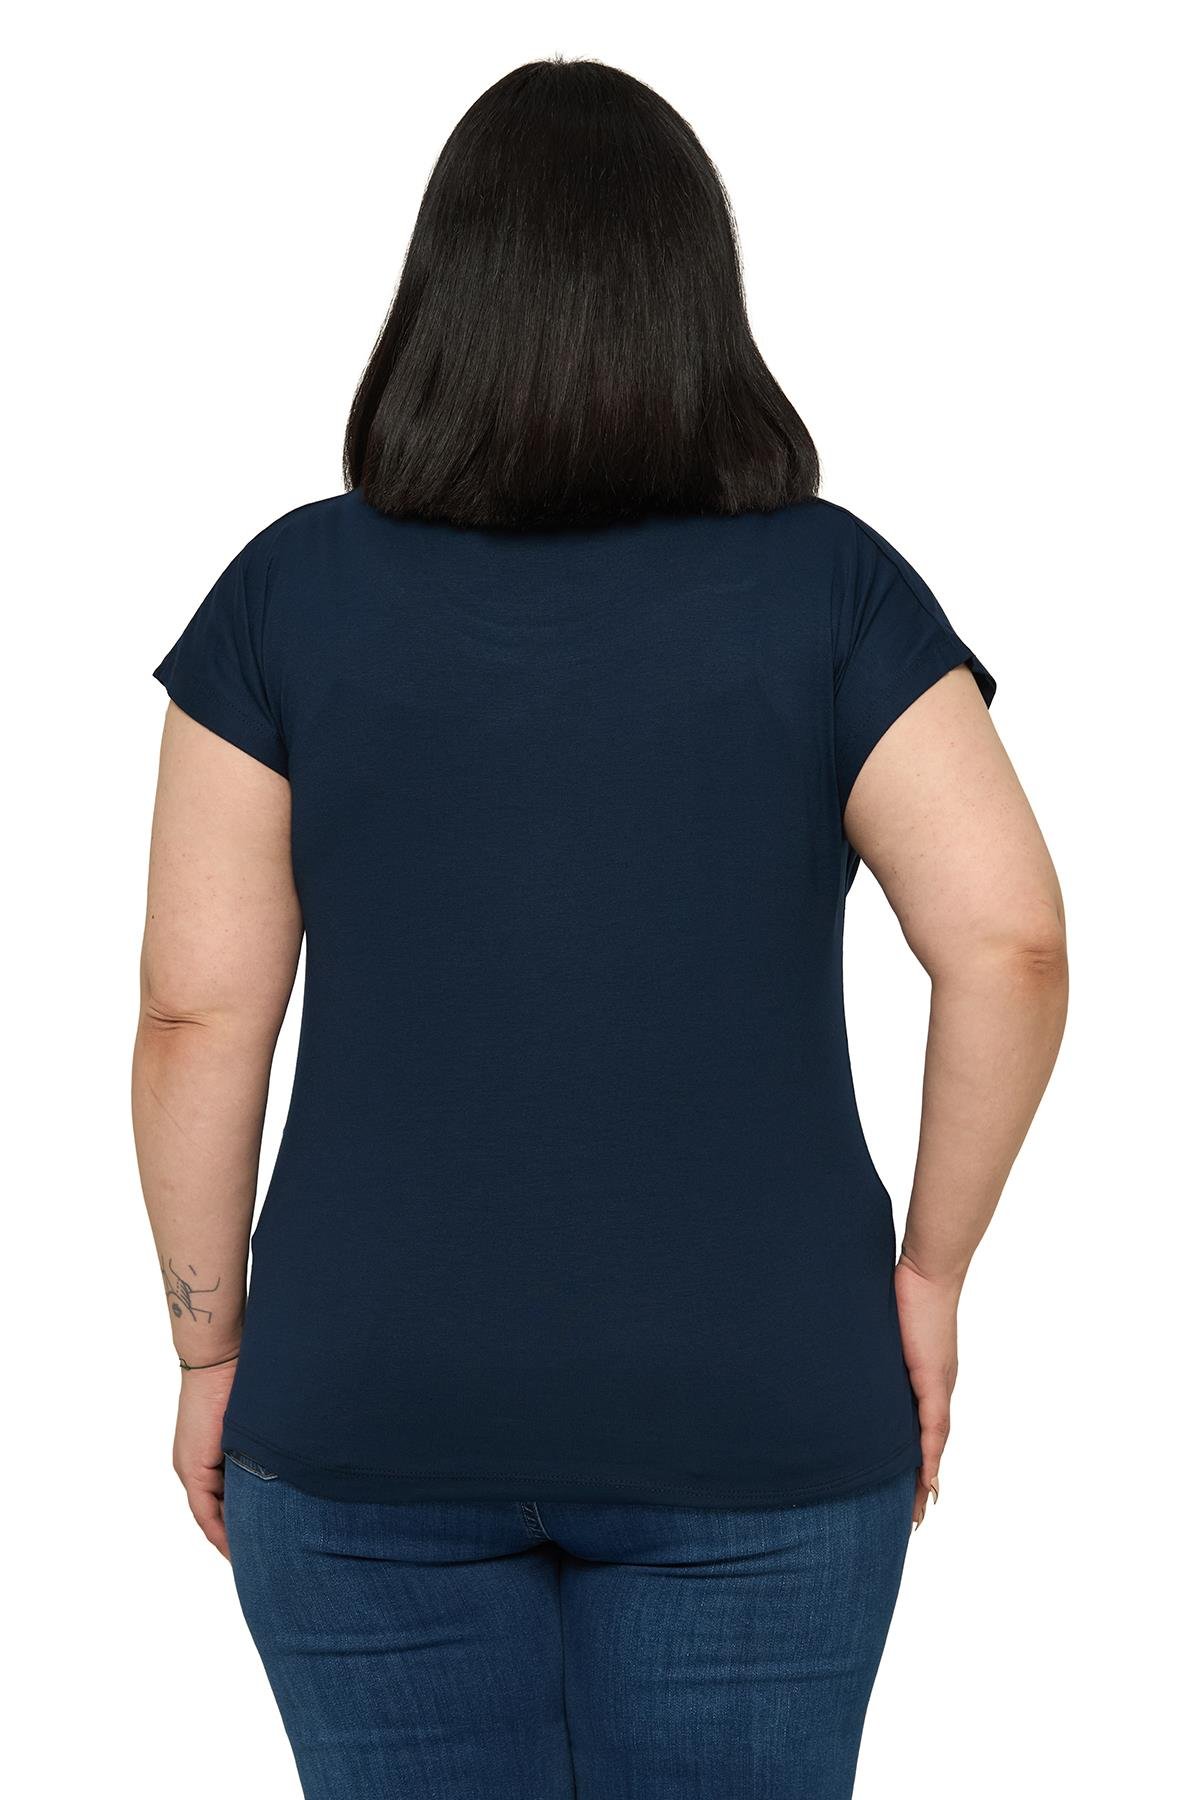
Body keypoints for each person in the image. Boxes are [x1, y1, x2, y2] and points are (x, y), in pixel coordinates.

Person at [131, 55, 1068, 1800]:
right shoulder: (832, 587)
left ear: (442, 299)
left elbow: (198, 1013)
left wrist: (208, 1345)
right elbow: (1008, 943)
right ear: (693, 301)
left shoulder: (287, 596)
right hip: (767, 1409)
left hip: (364, 1407)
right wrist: (931, 1276)